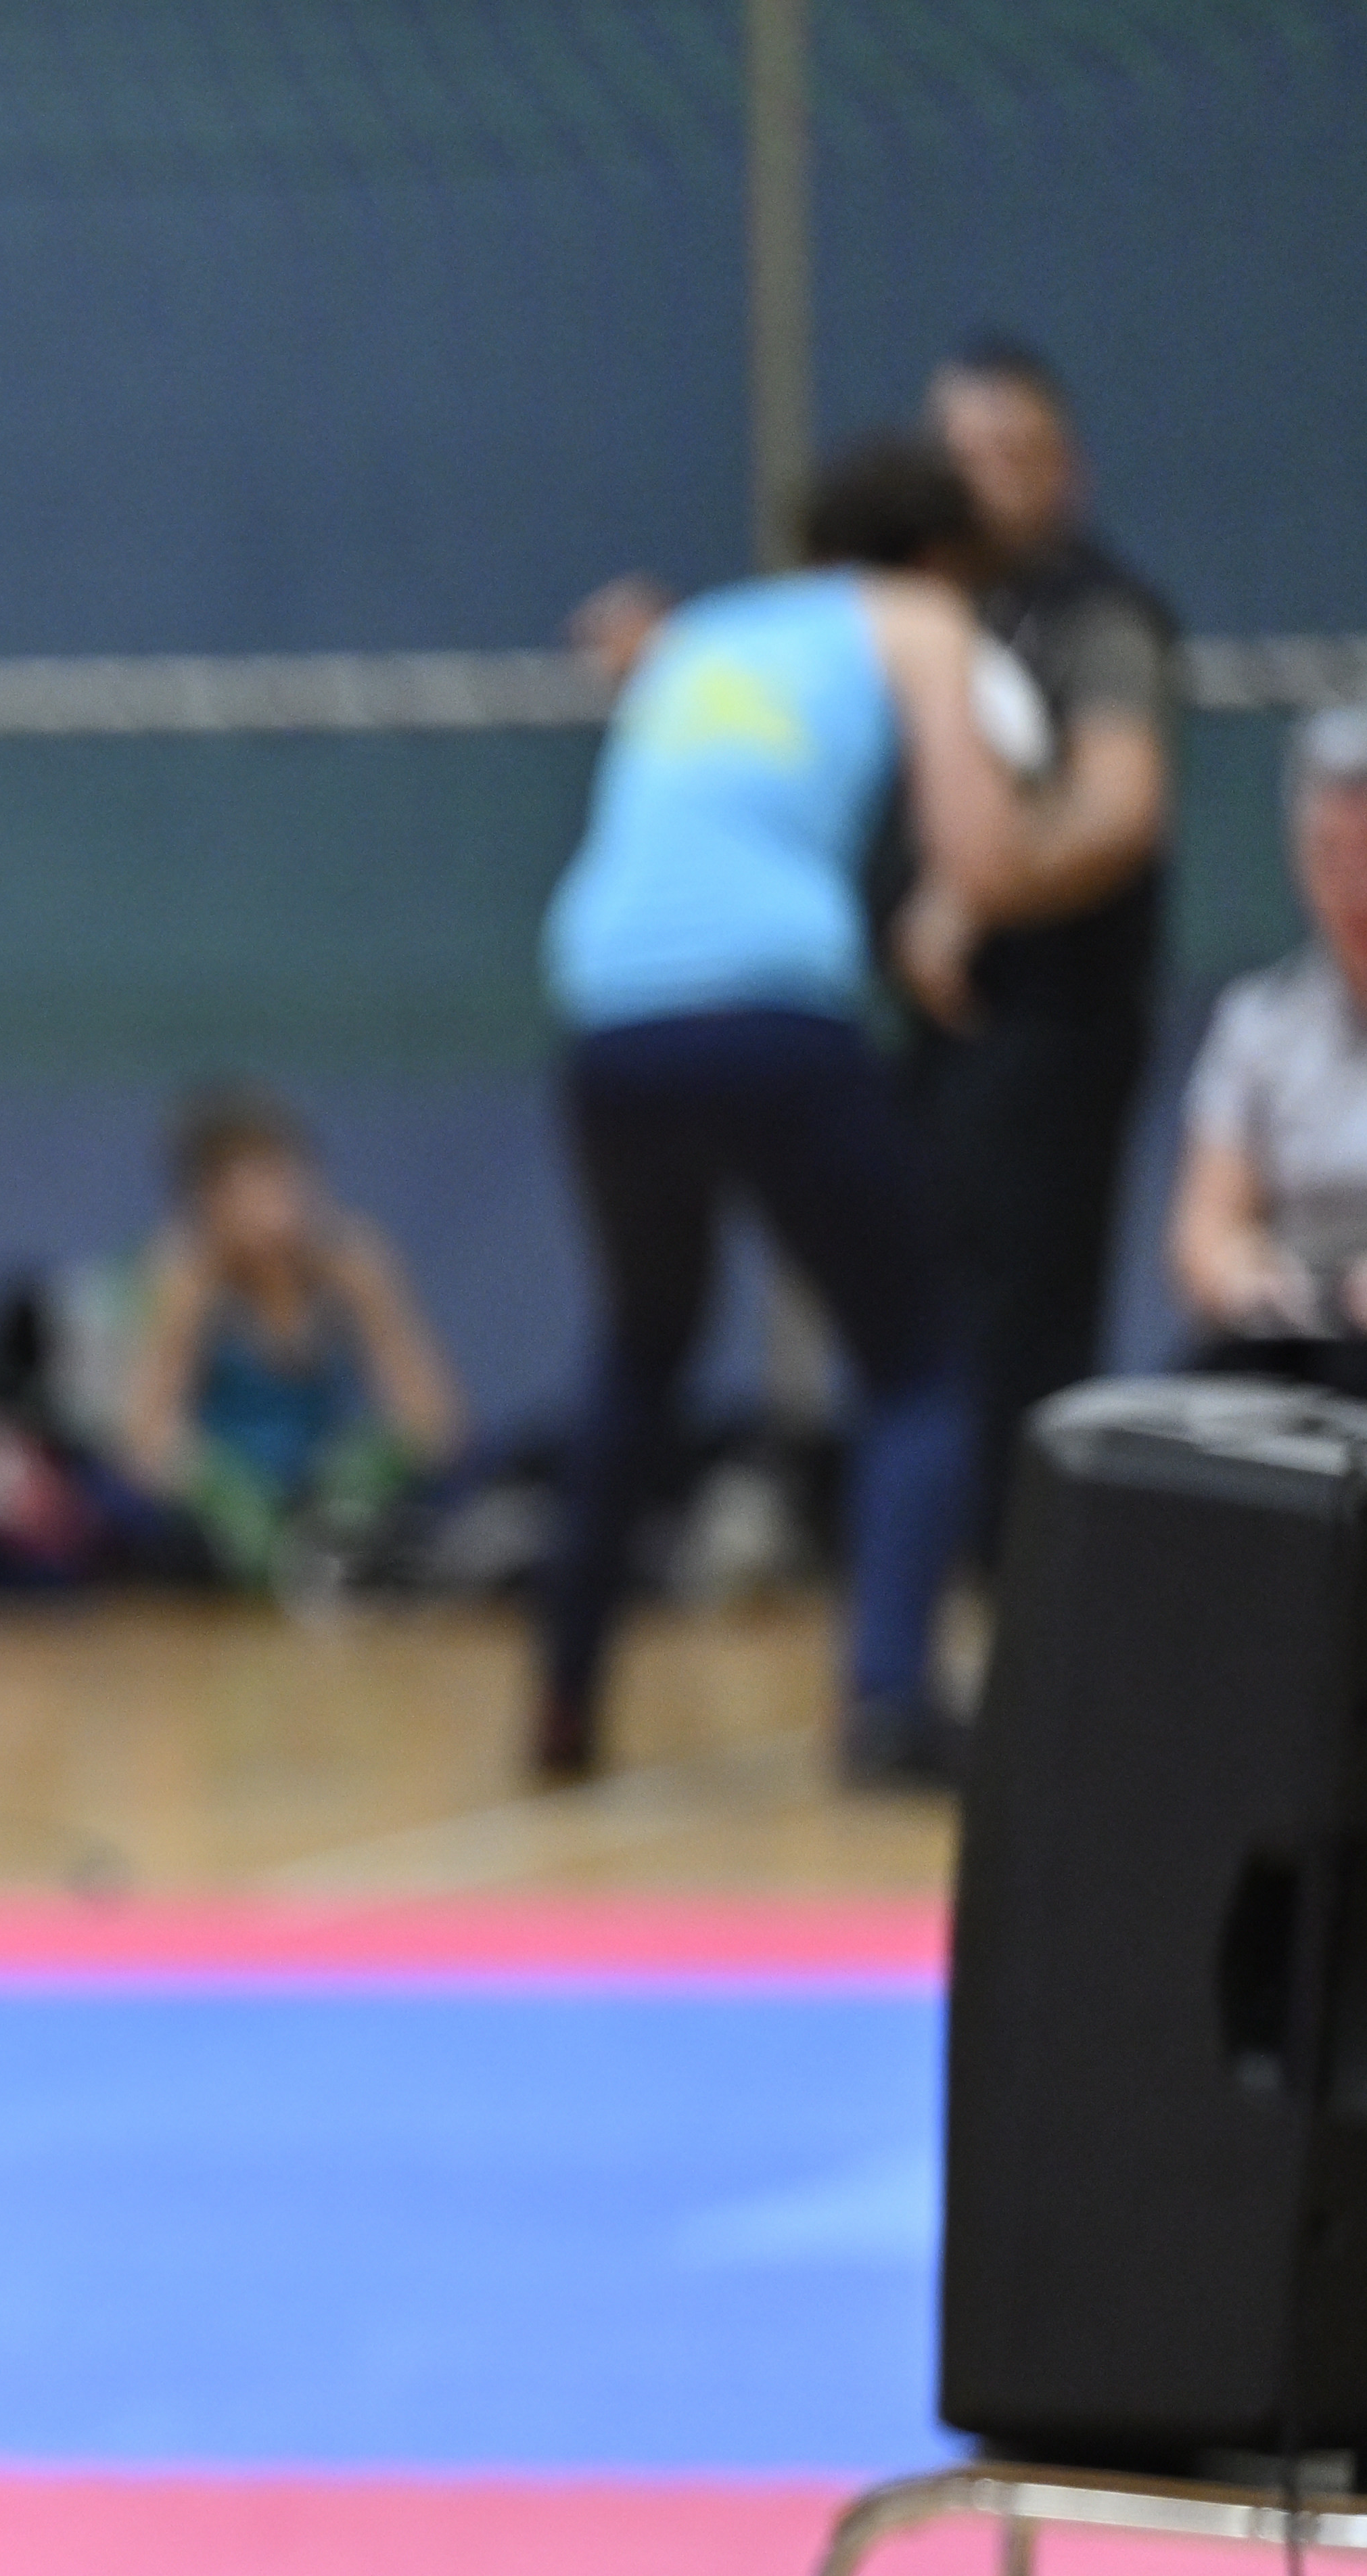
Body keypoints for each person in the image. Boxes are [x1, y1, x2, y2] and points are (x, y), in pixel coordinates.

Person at [531, 432, 1041, 1788]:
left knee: (642, 1343)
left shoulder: (707, 632)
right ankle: (888, 1703)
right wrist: (947, 914)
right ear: (938, 554)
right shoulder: (920, 617)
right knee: (916, 1359)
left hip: (609, 1013)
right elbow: (984, 848)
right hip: (773, 1009)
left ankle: (564, 1696)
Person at [921, 338, 1180, 1550]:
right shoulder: (923, 615)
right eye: (961, 456)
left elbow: (1119, 806)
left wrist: (980, 890)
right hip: (931, 1035)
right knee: (926, 1316)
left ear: (1065, 470)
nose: (984, 481)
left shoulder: (1094, 613)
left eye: (1012, 454)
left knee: (1022, 1326)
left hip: (1051, 1024)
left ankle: (1022, 1587)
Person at [108, 1082, 464, 1592]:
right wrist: (224, 1495)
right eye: (250, 1187)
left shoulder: (352, 1264)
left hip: (321, 1490)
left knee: (454, 1501)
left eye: (285, 1178)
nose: (277, 1205)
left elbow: (435, 1420)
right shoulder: (185, 1277)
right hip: (226, 1505)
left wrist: (365, 1476)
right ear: (207, 1202)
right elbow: (143, 1437)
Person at [1165, 708, 1367, 1402]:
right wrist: (1249, 1279)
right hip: (1301, 1353)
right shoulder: (1258, 1022)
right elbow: (1204, 1235)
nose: (1355, 886)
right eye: (1331, 854)